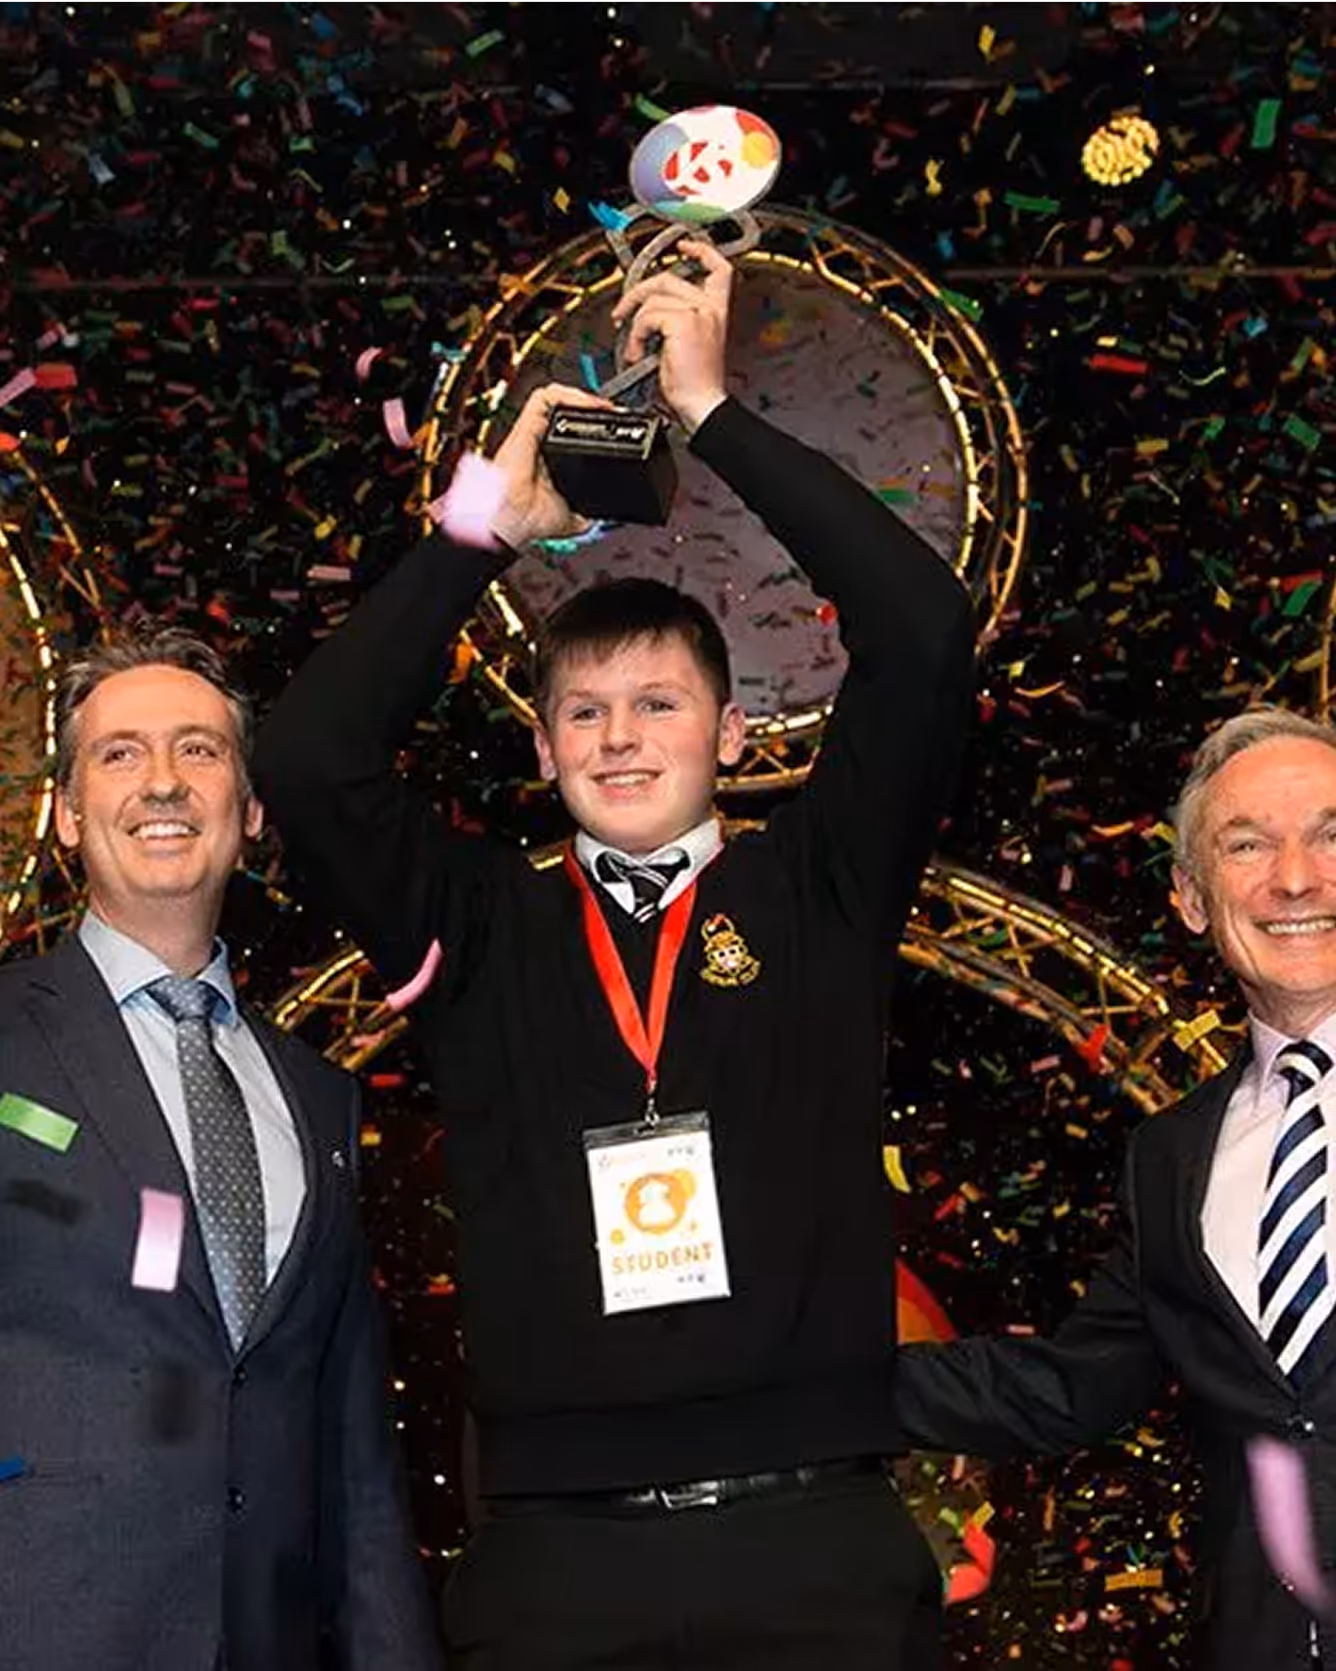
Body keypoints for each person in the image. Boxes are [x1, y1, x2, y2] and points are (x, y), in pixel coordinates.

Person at [255, 238, 975, 1669]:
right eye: (584, 712)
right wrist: (476, 537)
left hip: (815, 1543)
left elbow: (921, 630)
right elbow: (310, 756)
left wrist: (711, 416)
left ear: (729, 732)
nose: (622, 736)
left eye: (659, 702)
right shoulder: (476, 924)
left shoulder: (820, 886)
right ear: (541, 746)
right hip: (558, 1568)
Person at [0, 626, 443, 1671]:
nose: (162, 782)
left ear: (247, 813)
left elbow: (352, 1460)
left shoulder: (320, 1098)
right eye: (120, 754)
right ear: (64, 816)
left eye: (198, 751)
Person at [894, 705, 1336, 1671]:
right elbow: (1071, 1386)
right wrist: (781, 1362)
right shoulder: (1171, 1155)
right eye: (1247, 843)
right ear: (1189, 896)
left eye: (1331, 834)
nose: (1296, 877)